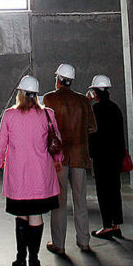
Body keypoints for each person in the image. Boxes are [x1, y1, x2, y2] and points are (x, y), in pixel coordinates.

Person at [0, 75, 62, 266]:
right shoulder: (47, 114)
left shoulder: (9, 115)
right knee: (36, 216)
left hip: (18, 176)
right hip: (41, 175)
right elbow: (56, 141)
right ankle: (34, 259)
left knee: (21, 215)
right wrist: (58, 158)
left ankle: (20, 257)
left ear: (20, 93)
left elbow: (1, 143)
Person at [42, 62, 97, 254]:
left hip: (59, 160)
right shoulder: (83, 101)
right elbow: (93, 127)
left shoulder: (49, 99)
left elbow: (44, 128)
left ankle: (59, 244)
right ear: (71, 81)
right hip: (79, 158)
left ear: (58, 79)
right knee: (80, 200)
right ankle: (84, 241)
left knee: (58, 201)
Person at [87, 75, 126, 240]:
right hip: (115, 156)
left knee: (103, 191)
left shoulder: (95, 110)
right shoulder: (115, 108)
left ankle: (106, 226)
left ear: (95, 92)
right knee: (115, 190)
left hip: (102, 157)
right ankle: (116, 224)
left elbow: (90, 132)